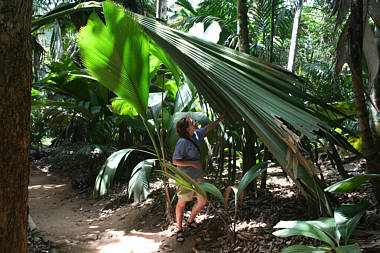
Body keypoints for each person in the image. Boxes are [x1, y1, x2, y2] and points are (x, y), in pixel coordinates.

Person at [172, 115, 224, 243]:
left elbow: (206, 129)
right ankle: (179, 229)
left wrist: (218, 120)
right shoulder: (182, 142)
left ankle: (190, 220)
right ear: (186, 128)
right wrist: (192, 164)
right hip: (185, 178)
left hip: (197, 176)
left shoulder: (195, 135)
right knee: (182, 202)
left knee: (202, 200)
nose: (195, 122)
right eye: (191, 122)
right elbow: (175, 161)